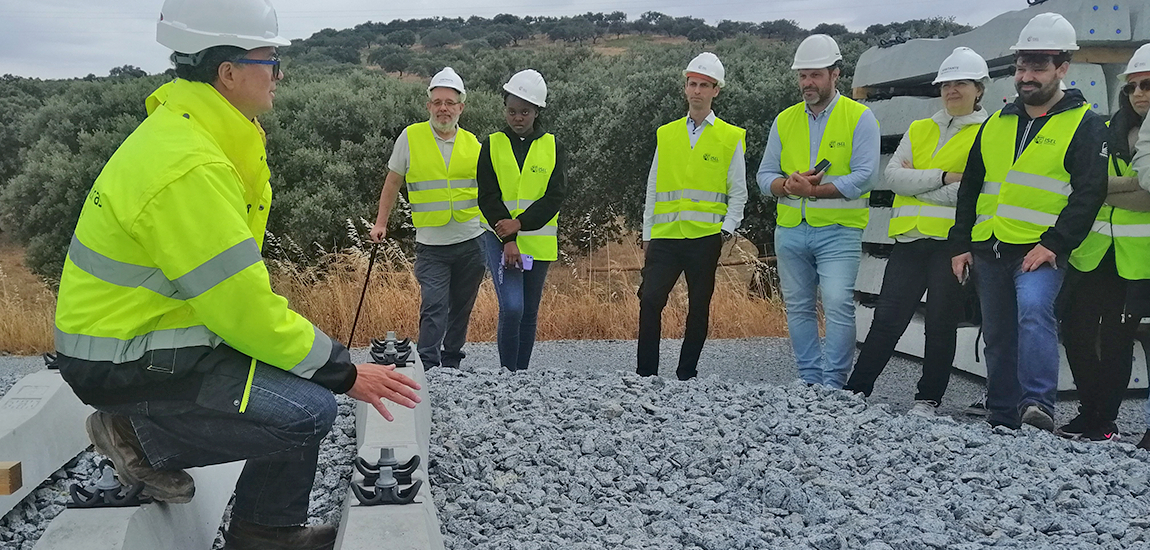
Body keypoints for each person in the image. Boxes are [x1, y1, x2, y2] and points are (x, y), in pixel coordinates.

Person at [52, 1, 420, 548]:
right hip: (121, 358)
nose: (277, 73)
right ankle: (135, 434)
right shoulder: (189, 166)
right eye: (270, 59)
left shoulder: (198, 135)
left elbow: (230, 297)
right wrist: (344, 372)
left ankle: (266, 531)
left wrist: (314, 361)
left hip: (150, 340)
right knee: (308, 407)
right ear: (228, 72)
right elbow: (243, 309)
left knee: (299, 378)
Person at [949, 13, 1107, 432]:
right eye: (1022, 66)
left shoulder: (1085, 124)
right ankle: (1002, 415)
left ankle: (1037, 406)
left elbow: (1088, 193)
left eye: (1038, 66)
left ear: (1062, 68)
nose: (1027, 75)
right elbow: (971, 189)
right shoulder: (995, 124)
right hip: (990, 246)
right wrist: (960, 243)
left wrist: (1055, 244)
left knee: (1035, 313)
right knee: (998, 334)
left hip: (1040, 250)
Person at [844, 48, 990, 415]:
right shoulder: (920, 127)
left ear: (979, 88)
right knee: (887, 319)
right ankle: (856, 389)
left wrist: (918, 181)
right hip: (909, 240)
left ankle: (928, 400)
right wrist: (943, 177)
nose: (952, 90)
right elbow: (893, 177)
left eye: (960, 83)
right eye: (946, 84)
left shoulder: (989, 134)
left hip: (951, 245)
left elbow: (971, 190)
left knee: (940, 324)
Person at [757, 34, 881, 388]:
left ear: (835, 74)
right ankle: (809, 380)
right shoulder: (784, 120)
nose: (807, 83)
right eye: (802, 76)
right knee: (798, 306)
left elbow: (865, 177)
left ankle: (834, 384)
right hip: (791, 227)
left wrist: (813, 190)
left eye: (815, 75)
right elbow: (764, 175)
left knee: (838, 303)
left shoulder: (860, 118)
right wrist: (786, 186)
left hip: (840, 229)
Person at [636, 52, 747, 381]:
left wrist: (725, 231)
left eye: (704, 85)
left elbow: (737, 191)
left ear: (716, 90)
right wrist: (648, 231)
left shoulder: (730, 137)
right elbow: (653, 186)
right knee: (650, 300)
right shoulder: (666, 133)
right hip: (666, 236)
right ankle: (646, 375)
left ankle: (686, 374)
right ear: (685, 88)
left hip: (705, 237)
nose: (696, 90)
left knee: (699, 308)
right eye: (692, 83)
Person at [1059, 44, 1150, 442]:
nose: (1139, 94)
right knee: (1076, 331)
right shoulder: (1106, 129)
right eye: (1132, 87)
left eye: (1147, 85)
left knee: (1118, 340)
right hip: (1095, 253)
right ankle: (1092, 411)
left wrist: (1104, 189)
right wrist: (1122, 188)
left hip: (1140, 259)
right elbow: (1083, 186)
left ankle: (1105, 420)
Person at [370, 67, 486, 370]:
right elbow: (392, 181)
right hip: (431, 245)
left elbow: (488, 191)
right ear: (428, 106)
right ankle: (428, 364)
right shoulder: (410, 137)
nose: (443, 108)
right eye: (437, 102)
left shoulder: (473, 143)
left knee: (461, 308)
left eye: (449, 102)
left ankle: (452, 363)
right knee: (434, 305)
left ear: (461, 107)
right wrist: (381, 222)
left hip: (471, 241)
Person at [477, 69, 567, 372]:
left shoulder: (554, 146)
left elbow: (555, 196)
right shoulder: (491, 144)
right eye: (511, 111)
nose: (517, 117)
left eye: (524, 111)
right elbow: (487, 196)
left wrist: (521, 224)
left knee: (529, 311)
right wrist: (509, 237)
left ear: (537, 111)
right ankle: (507, 374)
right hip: (501, 238)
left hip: (538, 242)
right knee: (512, 307)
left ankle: (521, 377)